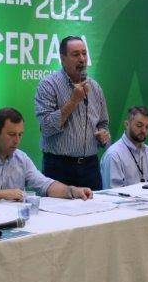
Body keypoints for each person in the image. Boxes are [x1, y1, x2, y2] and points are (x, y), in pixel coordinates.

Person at [0, 107, 93, 208]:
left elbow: (45, 184)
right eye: (11, 134)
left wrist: (72, 191)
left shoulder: (21, 158)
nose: (17, 140)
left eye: (20, 134)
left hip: (15, 223)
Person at [35, 36, 110, 190]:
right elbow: (47, 127)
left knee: (96, 213)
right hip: (59, 166)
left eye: (84, 53)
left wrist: (103, 134)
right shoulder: (48, 85)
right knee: (57, 212)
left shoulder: (95, 87)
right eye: (76, 55)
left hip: (90, 166)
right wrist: (73, 101)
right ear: (63, 59)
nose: (82, 59)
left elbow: (103, 123)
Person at [101, 106, 148, 188]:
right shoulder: (114, 155)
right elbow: (113, 193)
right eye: (139, 125)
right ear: (127, 124)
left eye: (147, 127)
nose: (144, 130)